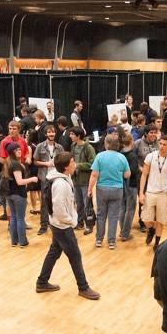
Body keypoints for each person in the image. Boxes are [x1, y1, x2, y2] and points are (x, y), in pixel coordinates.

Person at [37, 153, 100, 300]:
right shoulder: (60, 184)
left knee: (54, 252)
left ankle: (41, 282)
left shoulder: (61, 178)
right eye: (72, 162)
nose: (75, 164)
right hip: (62, 226)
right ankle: (83, 287)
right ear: (66, 167)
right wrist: (71, 221)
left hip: (57, 224)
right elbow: (59, 208)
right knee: (75, 256)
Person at [89, 133, 131, 249]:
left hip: (102, 189)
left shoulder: (100, 156)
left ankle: (99, 239)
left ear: (106, 144)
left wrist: (89, 189)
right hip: (117, 189)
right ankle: (111, 241)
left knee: (101, 215)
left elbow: (94, 174)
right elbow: (127, 175)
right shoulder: (122, 157)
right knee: (113, 216)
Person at [139, 136, 167, 249]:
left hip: (163, 193)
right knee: (146, 219)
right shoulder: (150, 156)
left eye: (164, 144)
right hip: (150, 192)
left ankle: (157, 243)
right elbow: (144, 175)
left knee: (161, 220)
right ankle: (151, 229)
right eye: (160, 144)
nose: (162, 146)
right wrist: (141, 193)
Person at [33, 125, 68, 236]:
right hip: (45, 178)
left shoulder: (60, 147)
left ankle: (56, 225)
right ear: (45, 134)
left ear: (55, 133)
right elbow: (35, 162)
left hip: (57, 178)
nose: (51, 134)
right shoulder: (40, 146)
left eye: (53, 132)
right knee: (44, 202)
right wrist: (45, 163)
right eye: (49, 132)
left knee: (58, 201)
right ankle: (43, 226)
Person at [69, 128, 96, 235]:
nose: (70, 136)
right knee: (78, 203)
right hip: (75, 180)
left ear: (78, 136)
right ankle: (79, 222)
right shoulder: (73, 146)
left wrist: (78, 166)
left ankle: (89, 224)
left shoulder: (88, 148)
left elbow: (93, 164)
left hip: (86, 180)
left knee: (87, 204)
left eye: (72, 134)